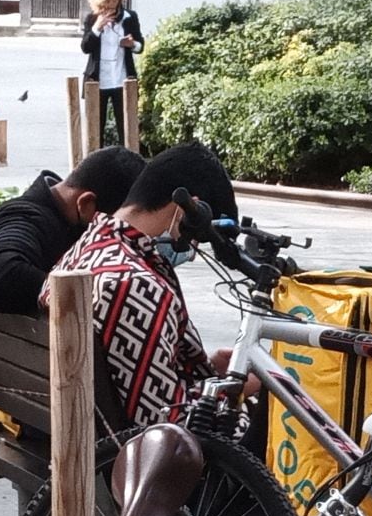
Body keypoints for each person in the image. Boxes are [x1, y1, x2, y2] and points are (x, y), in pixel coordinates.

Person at [39, 141, 244, 431]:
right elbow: (162, 422)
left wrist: (206, 368)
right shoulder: (135, 285)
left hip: (81, 427)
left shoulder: (85, 249)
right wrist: (237, 392)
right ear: (185, 210)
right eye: (199, 237)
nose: (194, 249)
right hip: (141, 458)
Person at [0, 146, 146, 315]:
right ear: (86, 203)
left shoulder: (62, 217)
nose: (118, 231)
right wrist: (97, 295)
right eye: (114, 222)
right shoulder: (24, 218)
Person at [80, 0, 144, 145]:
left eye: (113, 5)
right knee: (95, 130)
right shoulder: (92, 19)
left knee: (126, 128)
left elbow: (140, 46)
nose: (110, 11)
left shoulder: (129, 18)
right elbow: (85, 47)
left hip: (122, 79)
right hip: (97, 81)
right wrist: (97, 29)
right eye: (105, 6)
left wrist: (131, 44)